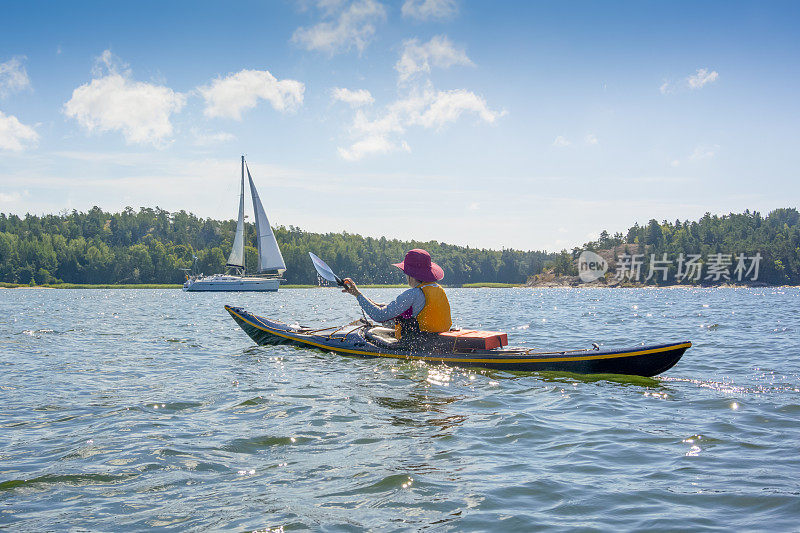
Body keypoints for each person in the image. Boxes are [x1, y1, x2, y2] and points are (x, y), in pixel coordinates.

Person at [342, 249, 452, 341]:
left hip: (418, 343)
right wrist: (371, 301)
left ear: (410, 274)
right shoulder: (437, 289)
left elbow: (379, 316)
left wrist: (357, 294)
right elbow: (403, 310)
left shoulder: (413, 294)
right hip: (438, 339)